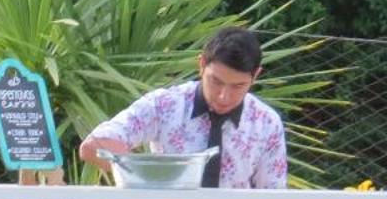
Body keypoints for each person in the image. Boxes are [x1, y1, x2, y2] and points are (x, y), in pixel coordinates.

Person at [79, 27, 288, 189]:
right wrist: (157, 183)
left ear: (256, 75)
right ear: (201, 64)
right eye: (216, 81)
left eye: (238, 86)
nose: (224, 96)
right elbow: (92, 146)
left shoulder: (266, 122)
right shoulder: (165, 105)